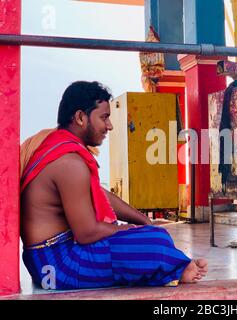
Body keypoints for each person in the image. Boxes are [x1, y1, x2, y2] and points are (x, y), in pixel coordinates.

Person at [20, 81, 207, 290]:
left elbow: (99, 194)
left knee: (152, 234)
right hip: (58, 266)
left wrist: (144, 221)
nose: (109, 126)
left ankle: (176, 265)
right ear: (81, 117)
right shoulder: (69, 163)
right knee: (154, 242)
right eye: (104, 117)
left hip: (47, 259)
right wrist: (129, 228)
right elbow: (87, 233)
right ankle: (178, 268)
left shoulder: (58, 147)